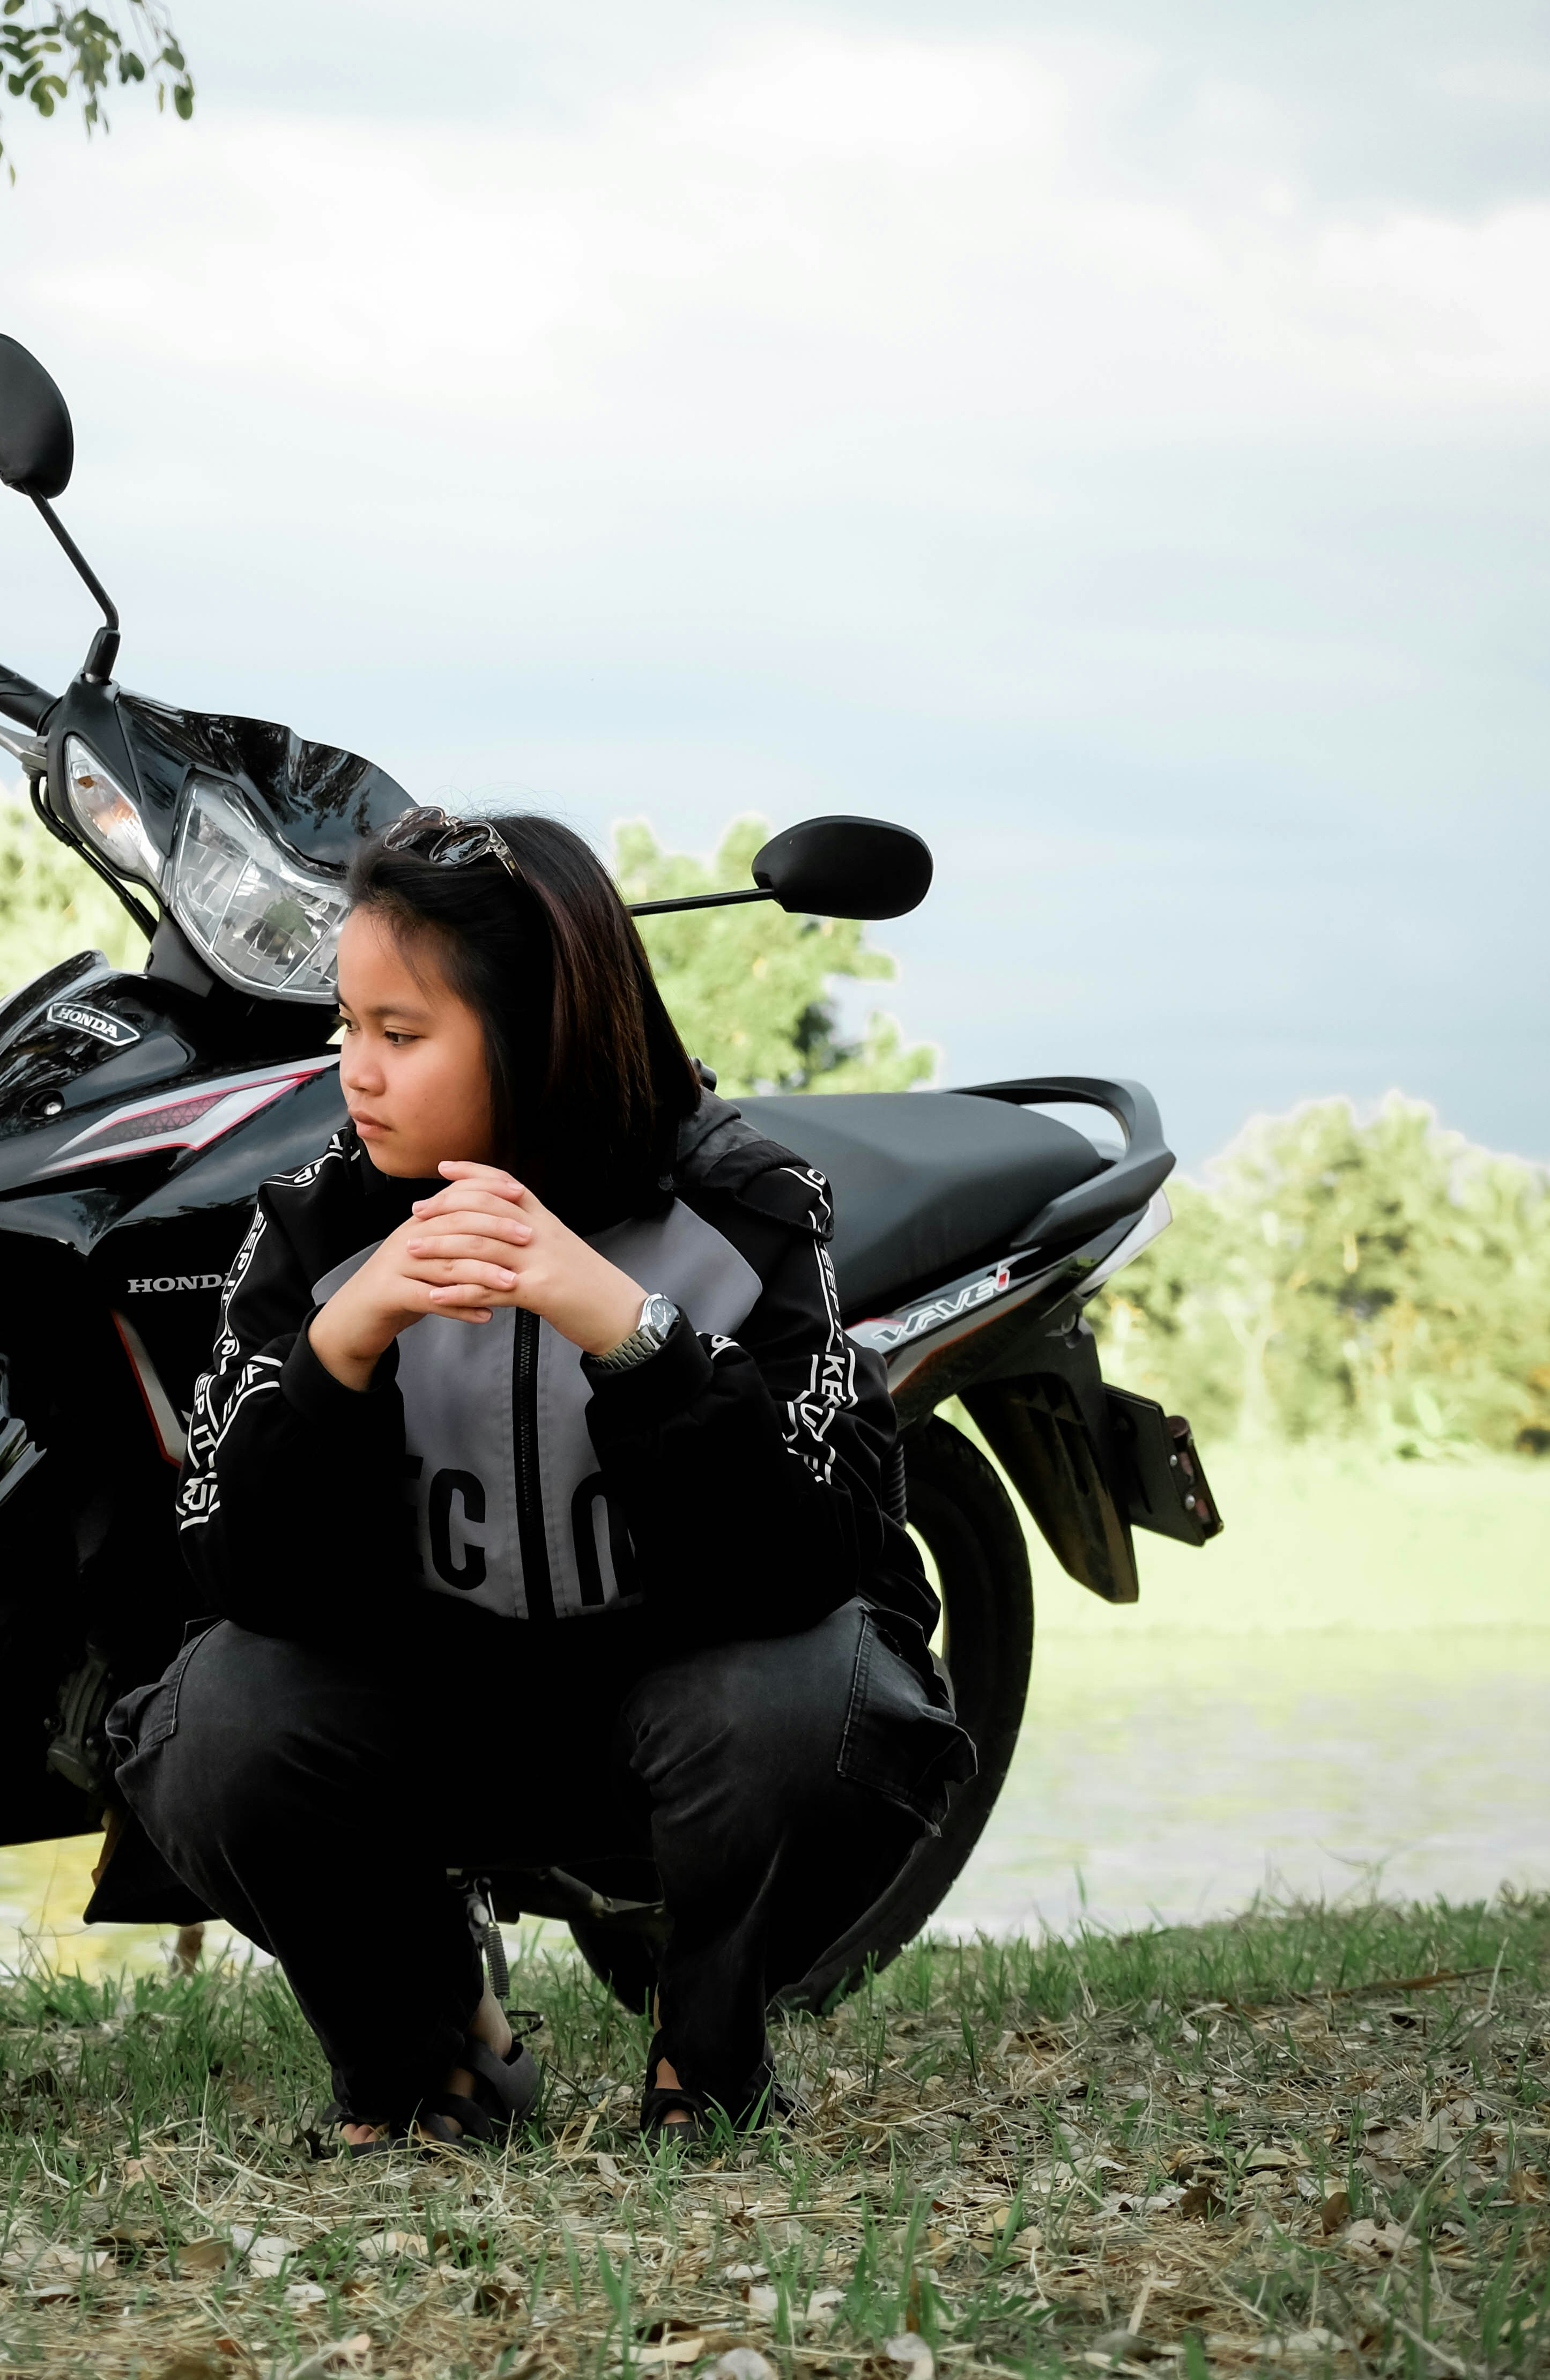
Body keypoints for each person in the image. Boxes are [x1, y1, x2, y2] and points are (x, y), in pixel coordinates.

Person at [107, 809, 973, 2149]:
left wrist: (630, 1336)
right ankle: (437, 2053)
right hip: (422, 1727)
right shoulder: (313, 1231)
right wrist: (339, 1349)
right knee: (210, 1727)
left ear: (541, 1028)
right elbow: (232, 1576)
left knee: (825, 1698)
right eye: (347, 1027)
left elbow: (820, 1558)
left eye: (402, 1035)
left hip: (680, 1719)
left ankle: (709, 2056)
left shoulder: (748, 1208)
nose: (357, 1073)